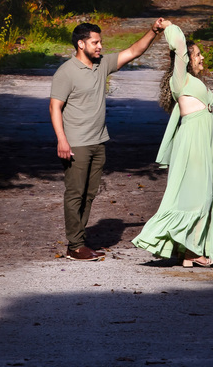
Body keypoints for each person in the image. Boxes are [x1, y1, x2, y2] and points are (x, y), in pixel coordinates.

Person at [50, 17, 170, 261]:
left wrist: (153, 31)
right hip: (76, 143)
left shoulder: (101, 64)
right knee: (75, 193)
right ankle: (75, 245)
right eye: (95, 42)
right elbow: (54, 107)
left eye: (100, 42)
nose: (100, 46)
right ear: (81, 44)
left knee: (90, 193)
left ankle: (79, 241)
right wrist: (61, 140)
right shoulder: (66, 72)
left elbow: (134, 51)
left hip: (98, 141)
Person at [132, 24, 213, 267]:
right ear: (186, 59)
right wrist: (169, 26)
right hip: (192, 142)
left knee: (204, 196)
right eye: (198, 54)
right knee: (195, 197)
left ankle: (188, 252)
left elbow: (210, 117)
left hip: (204, 140)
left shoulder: (194, 82)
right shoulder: (179, 79)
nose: (202, 57)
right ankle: (192, 252)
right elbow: (180, 46)